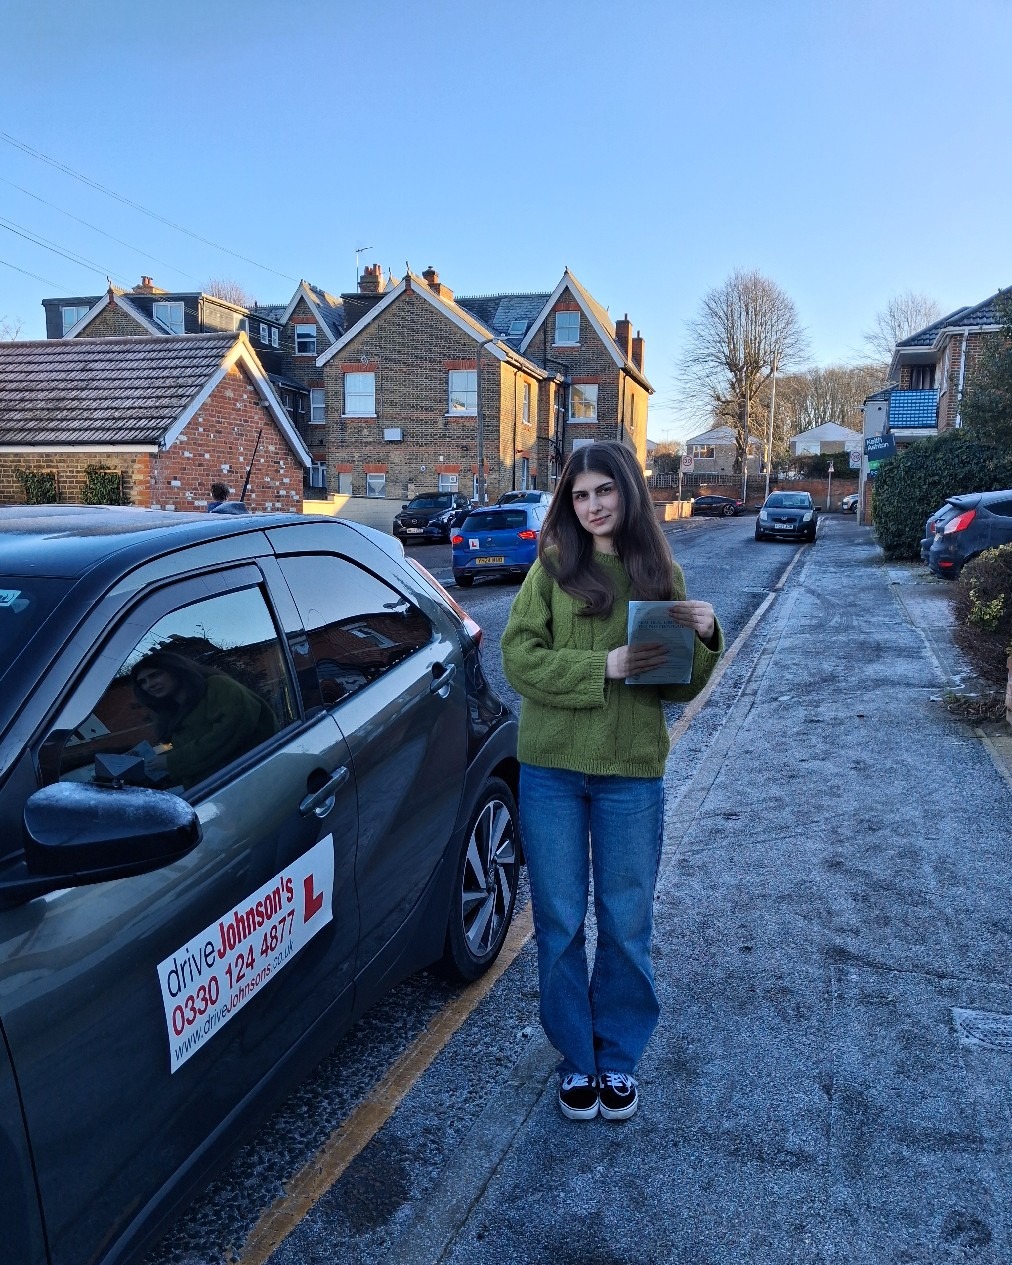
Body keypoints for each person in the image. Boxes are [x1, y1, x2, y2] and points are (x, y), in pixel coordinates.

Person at [500, 441, 723, 1123]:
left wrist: (707, 635)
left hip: (630, 774)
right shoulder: (551, 570)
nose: (593, 505)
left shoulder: (660, 572)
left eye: (605, 490)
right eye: (580, 494)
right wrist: (606, 663)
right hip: (552, 773)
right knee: (560, 923)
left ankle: (618, 1057)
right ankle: (578, 1061)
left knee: (627, 923)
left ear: (628, 493)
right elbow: (517, 659)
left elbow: (677, 684)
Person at [131, 651, 277, 790]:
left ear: (175, 670)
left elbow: (228, 734)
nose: (149, 685)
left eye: (155, 675)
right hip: (215, 791)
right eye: (142, 682)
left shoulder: (218, 686)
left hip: (254, 782)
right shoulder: (173, 711)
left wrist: (173, 761)